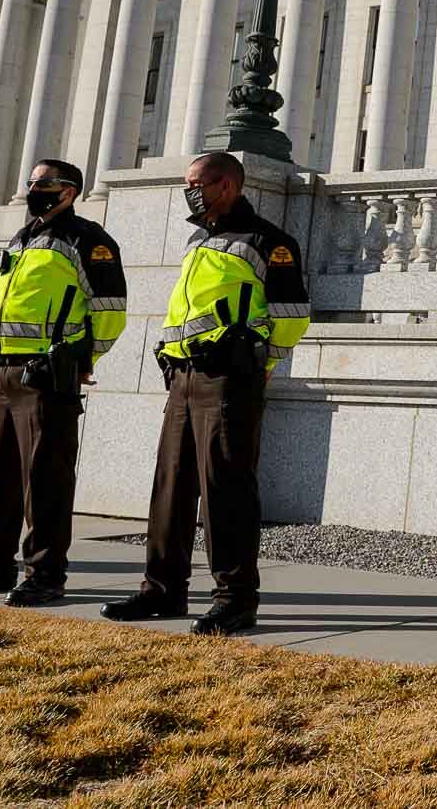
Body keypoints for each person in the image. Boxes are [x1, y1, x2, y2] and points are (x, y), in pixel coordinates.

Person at [100, 151, 310, 636]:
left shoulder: (269, 242)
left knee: (225, 490)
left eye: (198, 182)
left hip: (229, 379)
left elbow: (293, 315)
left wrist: (262, 363)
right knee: (171, 487)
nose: (189, 190)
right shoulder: (200, 241)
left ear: (228, 186)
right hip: (183, 378)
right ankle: (162, 591)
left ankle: (235, 599)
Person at [0, 158, 125, 606]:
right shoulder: (22, 238)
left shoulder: (87, 240)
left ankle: (45, 574)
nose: (32, 189)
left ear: (68, 191)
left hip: (44, 375)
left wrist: (79, 358)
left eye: (42, 183)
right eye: (31, 182)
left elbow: (111, 310)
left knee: (46, 478)